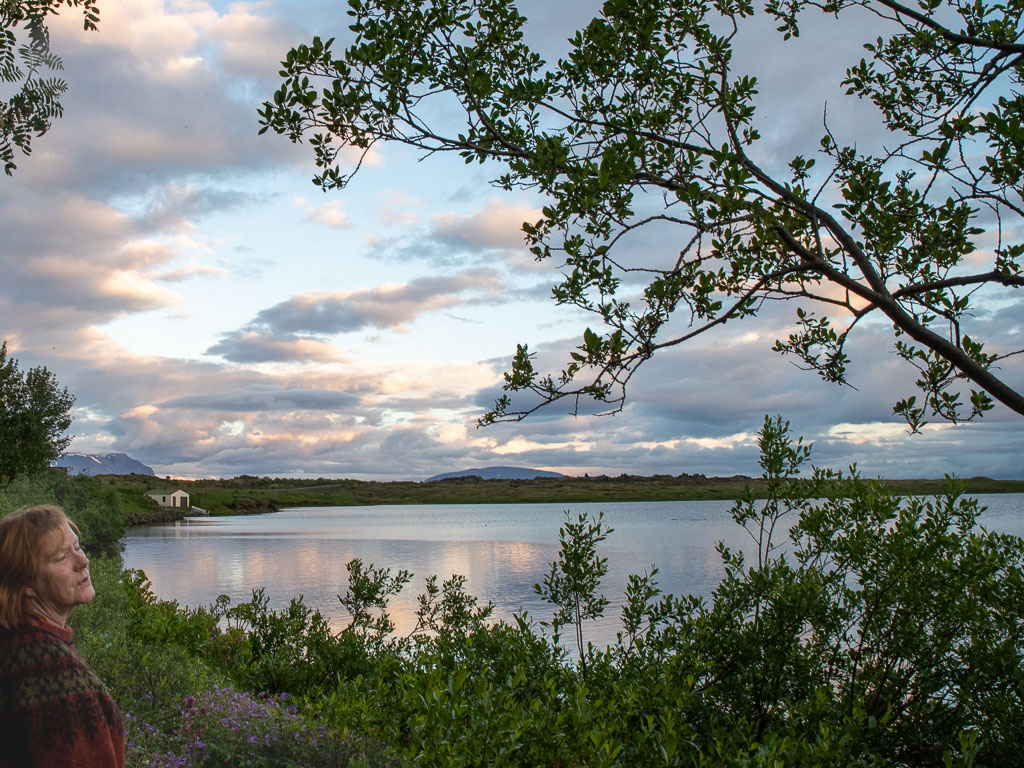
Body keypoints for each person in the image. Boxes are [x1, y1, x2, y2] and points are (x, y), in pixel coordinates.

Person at [0, 504, 125, 768]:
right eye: (61, 558)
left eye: (77, 547)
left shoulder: (14, 642)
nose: (83, 561)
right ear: (25, 585)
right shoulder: (53, 677)